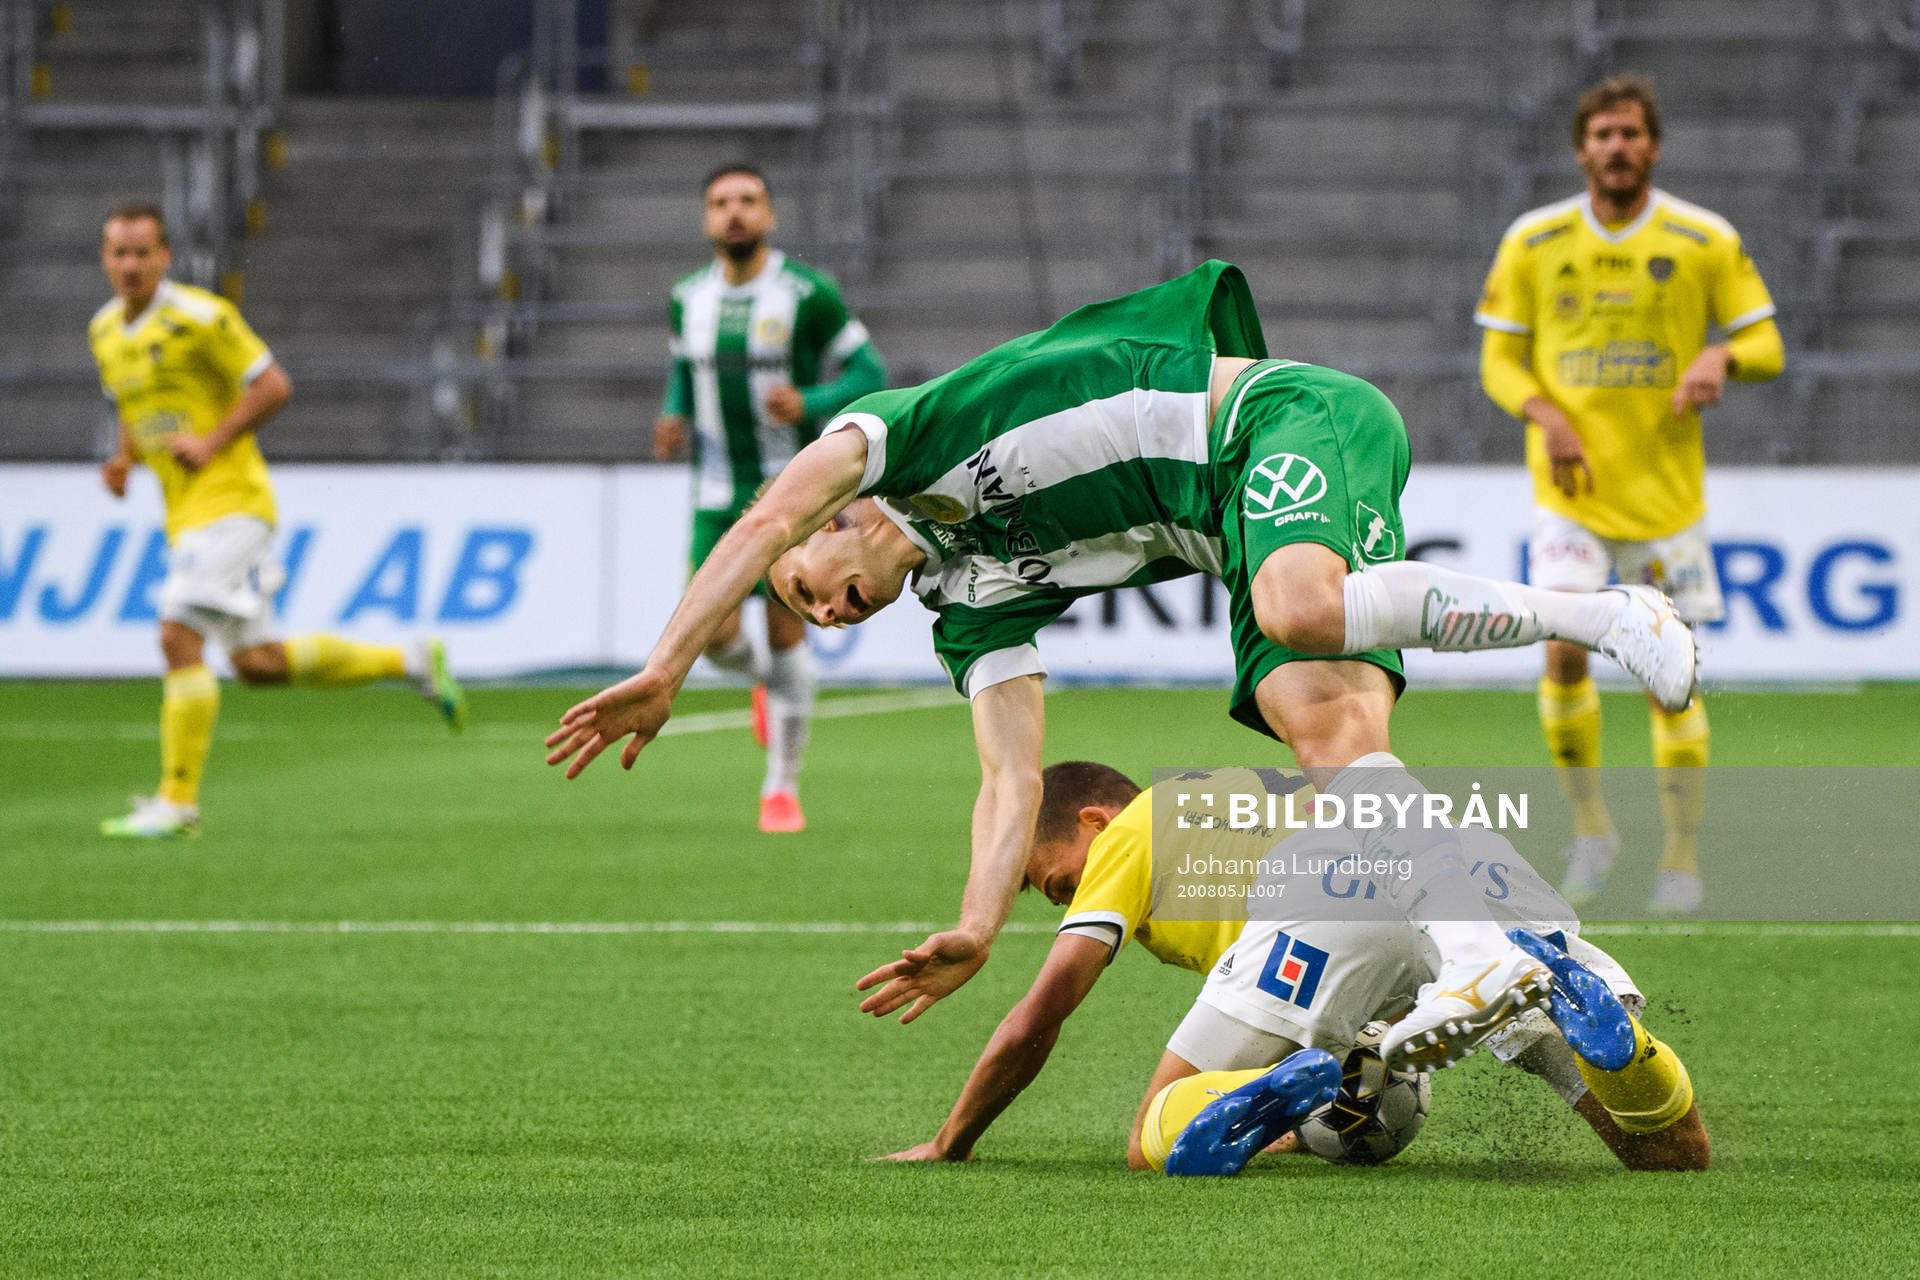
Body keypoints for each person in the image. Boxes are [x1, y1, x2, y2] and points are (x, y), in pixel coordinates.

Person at [547, 260, 1698, 1070]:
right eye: (816, 613)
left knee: (1300, 610)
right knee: (1338, 748)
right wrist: (977, 923)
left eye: (810, 585)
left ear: (831, 520)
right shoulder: (968, 603)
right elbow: (1010, 779)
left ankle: (1599, 615)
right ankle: (1491, 954)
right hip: (1233, 525)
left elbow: (753, 523)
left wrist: (667, 667)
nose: (830, 611)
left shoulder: (894, 433)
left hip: (1279, 423)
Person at [878, 762, 1709, 1175]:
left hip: (1321, 902)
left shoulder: (1133, 830)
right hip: (1450, 860)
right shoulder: (1229, 792)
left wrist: (953, 1142)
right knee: (1670, 1152)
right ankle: (1622, 1052)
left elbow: (1042, 1012)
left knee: (1148, 1141)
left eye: (1056, 880)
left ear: (1094, 818)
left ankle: (1313, 1095)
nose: (1065, 902)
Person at [1476, 75, 1785, 916]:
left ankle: (1680, 858)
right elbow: (1499, 360)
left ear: (1653, 145)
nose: (1617, 147)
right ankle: (1593, 833)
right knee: (1563, 650)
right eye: (1603, 134)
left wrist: (1725, 357)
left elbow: (1767, 339)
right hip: (1569, 498)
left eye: (1631, 133)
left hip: (1667, 505)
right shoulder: (1534, 241)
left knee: (1668, 678)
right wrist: (1544, 410)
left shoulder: (1701, 238)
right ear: (1582, 149)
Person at [90, 203, 466, 839]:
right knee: (258, 663)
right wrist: (124, 459)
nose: (129, 265)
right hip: (186, 515)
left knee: (177, 632)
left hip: (234, 503)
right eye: (118, 253)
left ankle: (176, 802)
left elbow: (273, 386)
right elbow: (133, 402)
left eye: (141, 253)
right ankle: (409, 661)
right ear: (105, 258)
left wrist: (211, 442)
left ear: (165, 257)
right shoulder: (104, 330)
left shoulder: (202, 318)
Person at [653, 163, 887, 833]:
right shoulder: (685, 296)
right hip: (716, 495)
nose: (734, 212)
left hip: (793, 493)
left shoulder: (808, 294)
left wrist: (809, 401)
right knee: (714, 635)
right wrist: (673, 415)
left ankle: (781, 786)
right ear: (705, 219)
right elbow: (682, 369)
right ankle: (762, 683)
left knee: (790, 628)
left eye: (748, 200)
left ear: (769, 215)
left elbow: (871, 371)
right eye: (721, 202)